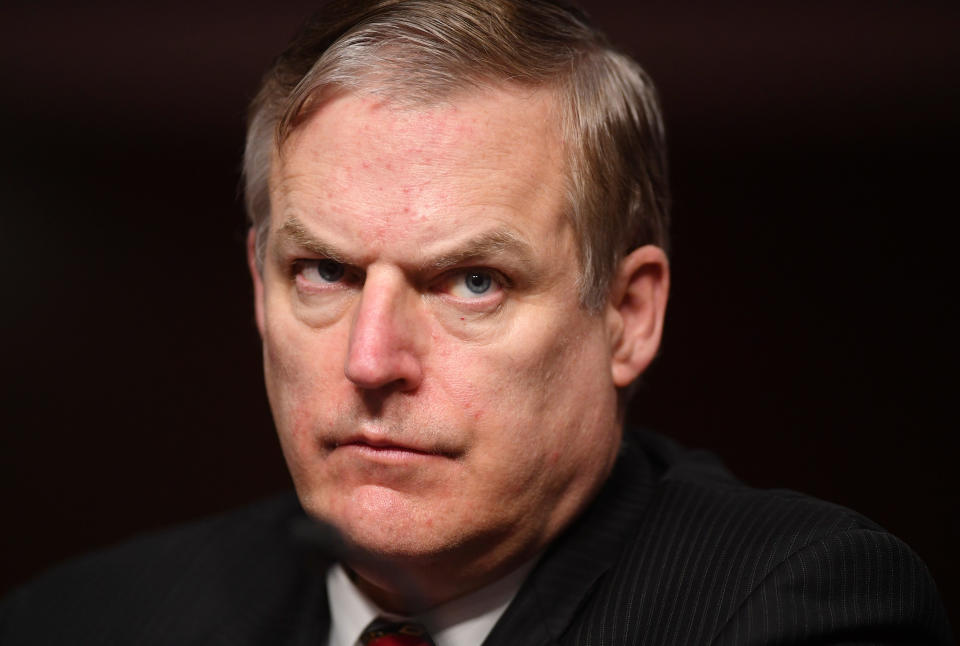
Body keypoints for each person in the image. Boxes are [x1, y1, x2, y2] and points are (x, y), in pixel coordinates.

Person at [1, 1, 952, 644]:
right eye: (323, 271)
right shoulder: (86, 620)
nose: (370, 361)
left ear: (628, 317)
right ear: (259, 286)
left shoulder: (794, 610)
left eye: (472, 282)